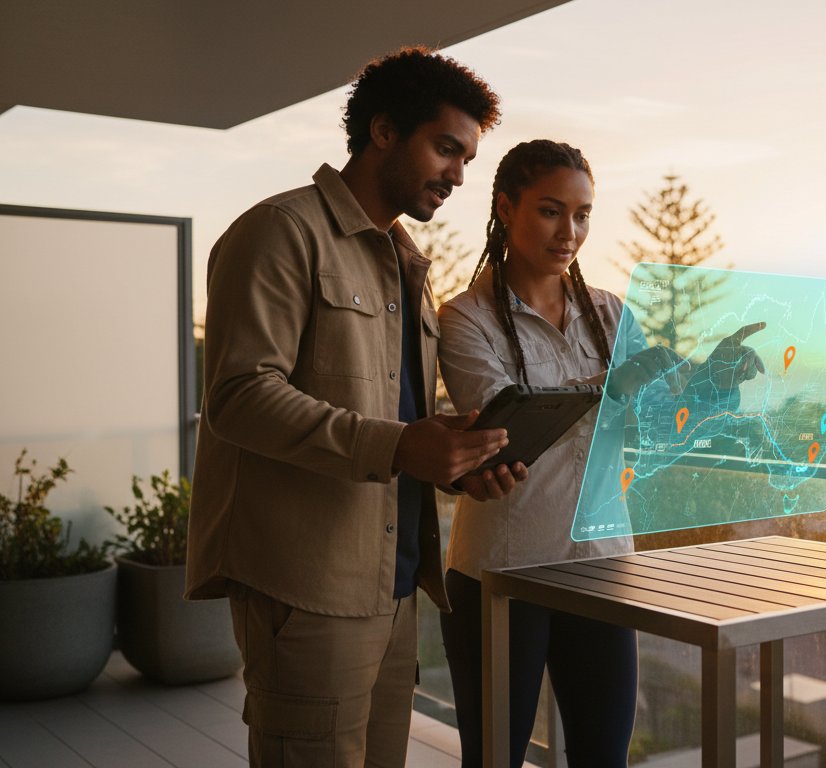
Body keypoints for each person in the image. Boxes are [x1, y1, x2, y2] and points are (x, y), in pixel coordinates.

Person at [185, 47, 525, 768]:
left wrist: (454, 460)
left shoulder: (405, 262)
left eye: (467, 159)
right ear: (383, 131)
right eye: (446, 149)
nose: (459, 176)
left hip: (395, 588)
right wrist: (400, 446)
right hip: (305, 588)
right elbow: (239, 397)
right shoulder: (280, 231)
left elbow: (391, 412)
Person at [436, 139, 764, 768]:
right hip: (501, 573)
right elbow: (503, 425)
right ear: (505, 208)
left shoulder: (611, 312)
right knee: (494, 758)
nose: (570, 232)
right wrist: (613, 384)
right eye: (551, 211)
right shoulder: (464, 319)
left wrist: (714, 384)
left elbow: (660, 420)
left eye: (583, 215)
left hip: (604, 567)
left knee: (604, 757)